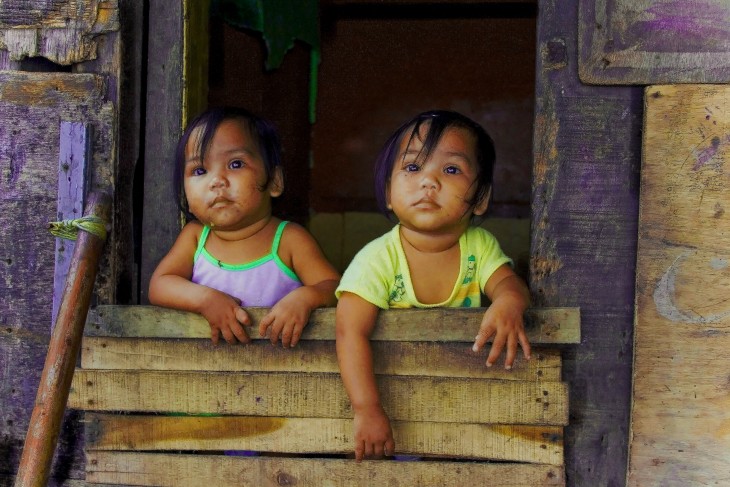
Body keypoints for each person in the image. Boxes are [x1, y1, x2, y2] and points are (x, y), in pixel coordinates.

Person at [335, 110, 532, 462]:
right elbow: (349, 332)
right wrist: (367, 408)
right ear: (389, 193)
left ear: (481, 199)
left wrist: (509, 302)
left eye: (451, 169)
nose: (429, 182)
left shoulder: (480, 246)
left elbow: (507, 283)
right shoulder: (377, 259)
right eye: (412, 168)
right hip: (398, 414)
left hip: (468, 412)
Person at [149, 107, 340, 347]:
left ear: (274, 181)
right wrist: (205, 299)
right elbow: (160, 285)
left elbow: (335, 288)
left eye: (236, 164)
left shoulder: (289, 240)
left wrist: (306, 298)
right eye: (200, 170)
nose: (217, 181)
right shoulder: (196, 237)